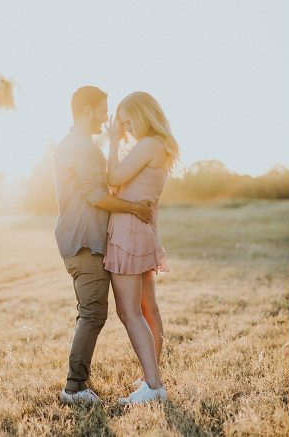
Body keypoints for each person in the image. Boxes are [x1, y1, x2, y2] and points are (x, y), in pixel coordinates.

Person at [53, 86, 153, 404]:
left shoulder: (77, 145)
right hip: (84, 240)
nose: (106, 116)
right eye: (102, 109)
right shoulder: (81, 147)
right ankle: (74, 387)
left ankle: (78, 383)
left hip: (83, 239)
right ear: (86, 111)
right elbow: (96, 196)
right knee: (93, 313)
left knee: (91, 312)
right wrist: (137, 208)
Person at [104, 91, 179, 405]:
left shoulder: (148, 145)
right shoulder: (158, 145)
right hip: (142, 231)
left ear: (143, 114)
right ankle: (152, 375)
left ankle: (153, 384)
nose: (125, 128)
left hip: (128, 232)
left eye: (127, 120)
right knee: (148, 308)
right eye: (120, 124)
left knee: (129, 310)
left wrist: (111, 141)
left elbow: (113, 176)